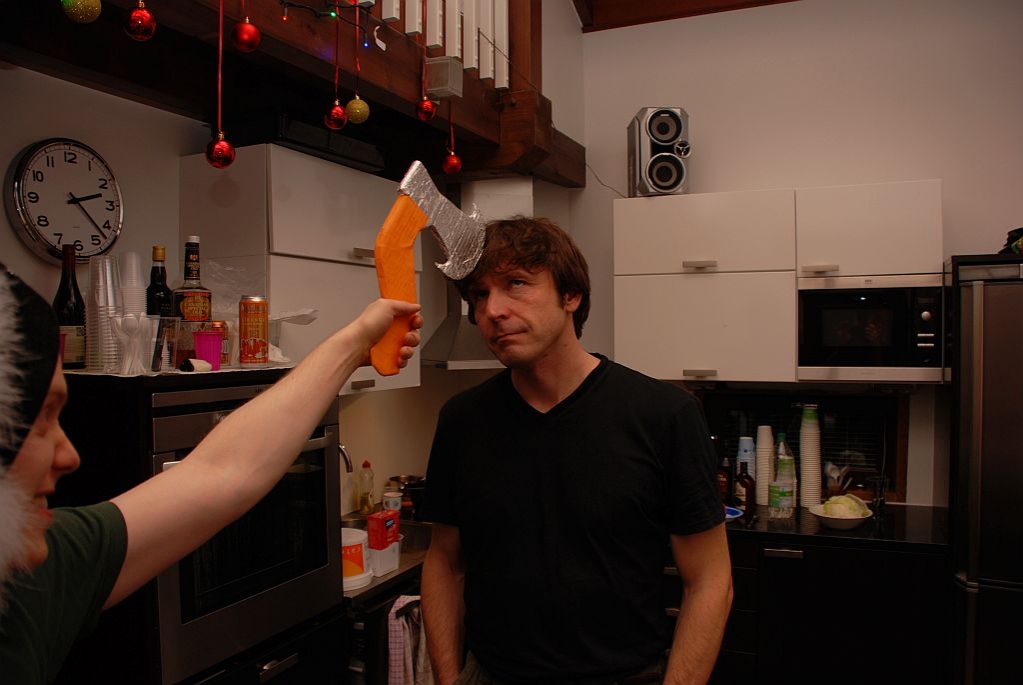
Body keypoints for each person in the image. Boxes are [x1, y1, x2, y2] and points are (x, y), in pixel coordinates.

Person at [0, 263, 422, 683]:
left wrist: (355, 343)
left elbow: (223, 470)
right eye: (41, 419)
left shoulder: (34, 572)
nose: (69, 456)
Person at [419, 217, 734, 685]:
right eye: (479, 295)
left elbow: (710, 580)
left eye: (516, 283)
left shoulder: (664, 415)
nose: (492, 310)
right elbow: (445, 562)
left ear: (571, 296)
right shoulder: (462, 420)